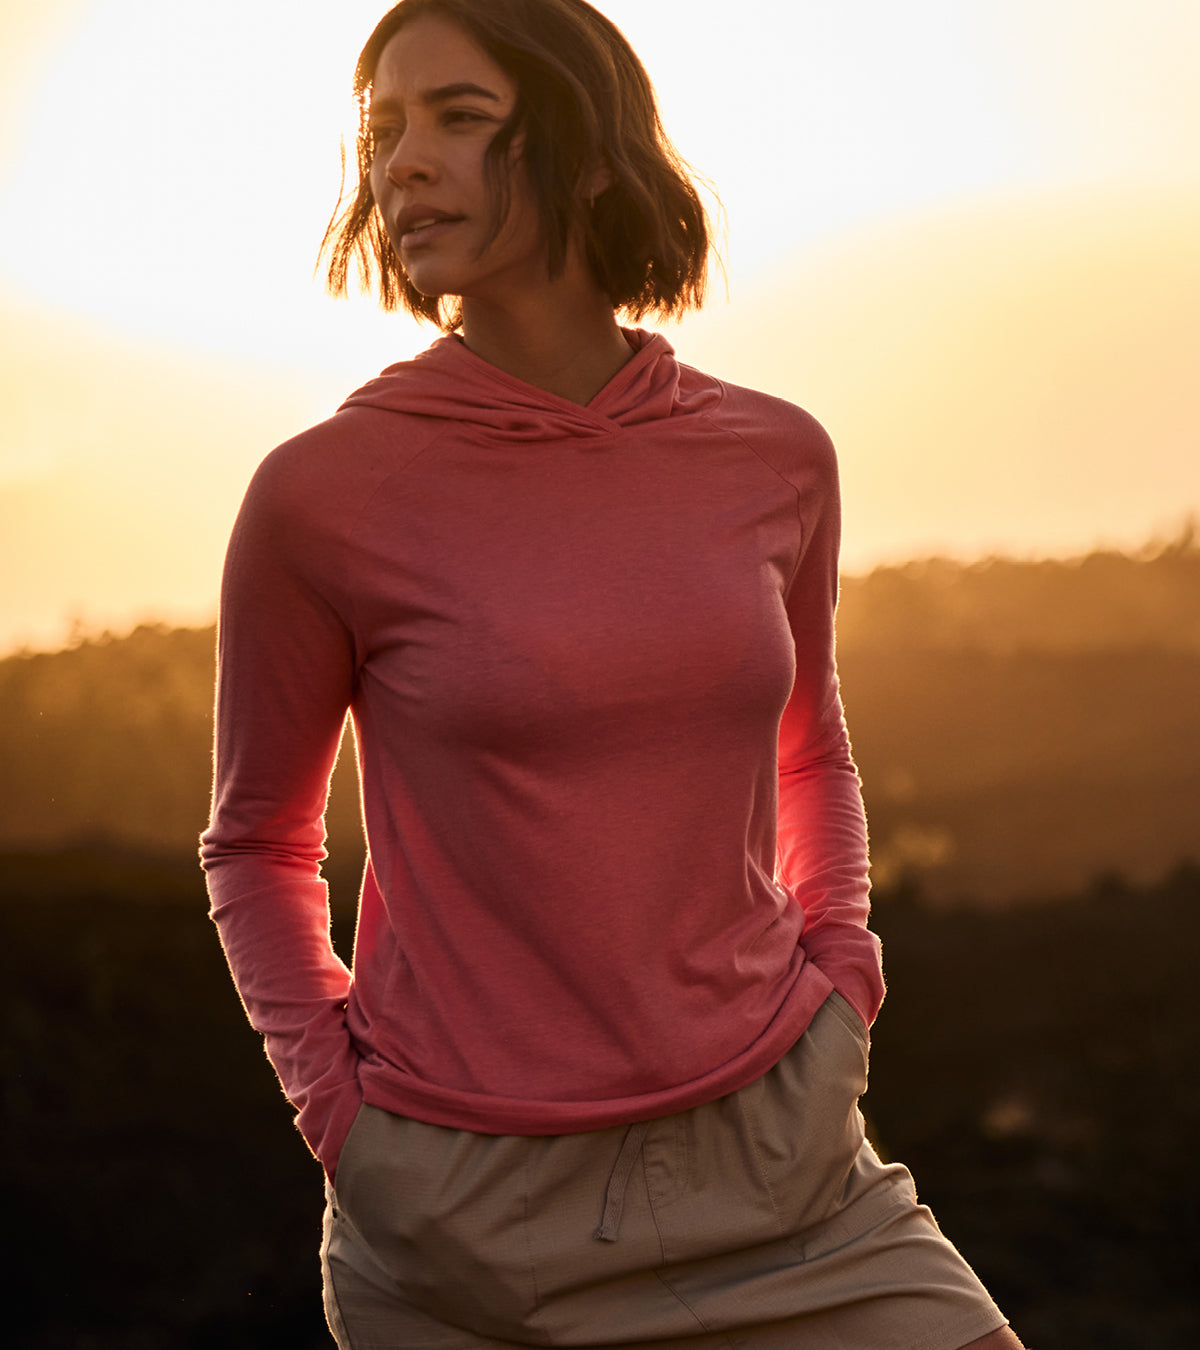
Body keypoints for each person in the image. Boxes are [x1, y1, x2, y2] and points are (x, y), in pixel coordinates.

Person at [200, 1, 1025, 1346]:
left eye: (459, 119)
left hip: (786, 1167)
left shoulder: (777, 456)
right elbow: (256, 839)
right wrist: (343, 1120)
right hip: (470, 1217)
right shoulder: (317, 496)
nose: (402, 162)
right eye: (384, 129)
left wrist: (844, 980)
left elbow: (810, 745)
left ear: (587, 151)